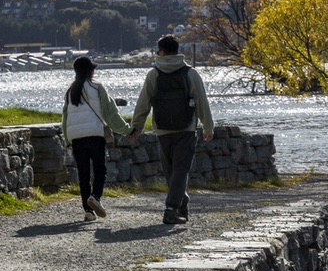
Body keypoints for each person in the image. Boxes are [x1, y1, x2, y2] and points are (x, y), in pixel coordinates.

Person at [128, 34, 214, 226]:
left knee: (171, 172)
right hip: (187, 129)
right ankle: (173, 208)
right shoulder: (190, 73)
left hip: (163, 129)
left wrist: (136, 128)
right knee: (181, 170)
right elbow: (202, 101)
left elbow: (143, 104)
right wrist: (208, 126)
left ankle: (177, 206)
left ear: (162, 52)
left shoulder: (154, 74)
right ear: (177, 51)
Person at [61, 54, 129, 222]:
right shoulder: (97, 87)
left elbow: (65, 117)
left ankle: (88, 211)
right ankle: (96, 197)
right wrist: (126, 129)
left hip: (76, 138)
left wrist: (67, 139)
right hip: (94, 135)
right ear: (90, 71)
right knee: (100, 170)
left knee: (83, 174)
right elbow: (110, 112)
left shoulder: (71, 91)